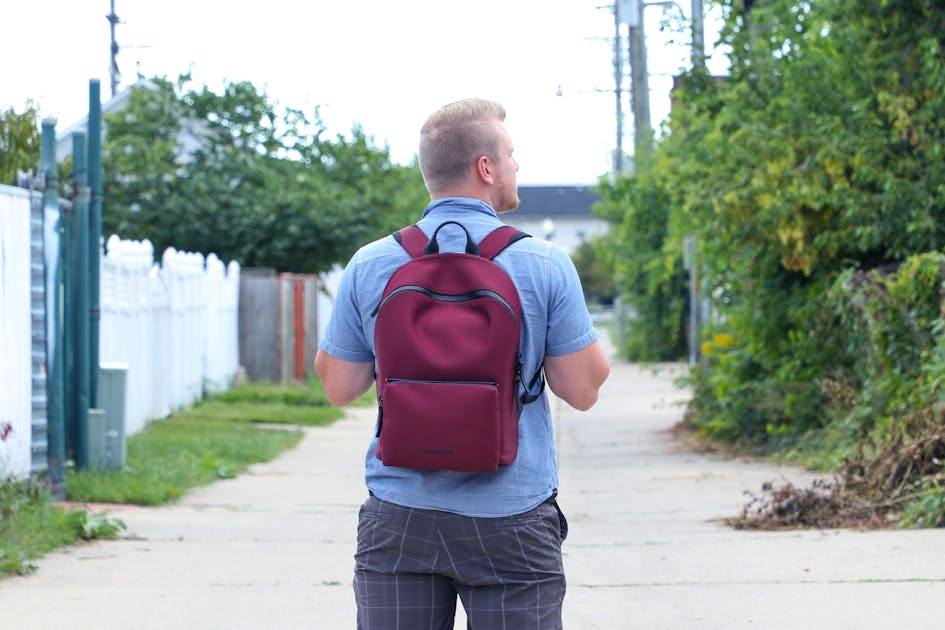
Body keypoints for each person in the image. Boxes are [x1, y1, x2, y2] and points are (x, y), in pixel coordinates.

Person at [315, 97, 610, 629]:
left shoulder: (371, 263)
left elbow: (339, 387)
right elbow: (583, 391)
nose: (518, 165)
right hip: (512, 518)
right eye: (512, 154)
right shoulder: (544, 264)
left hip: (400, 516)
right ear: (485, 167)